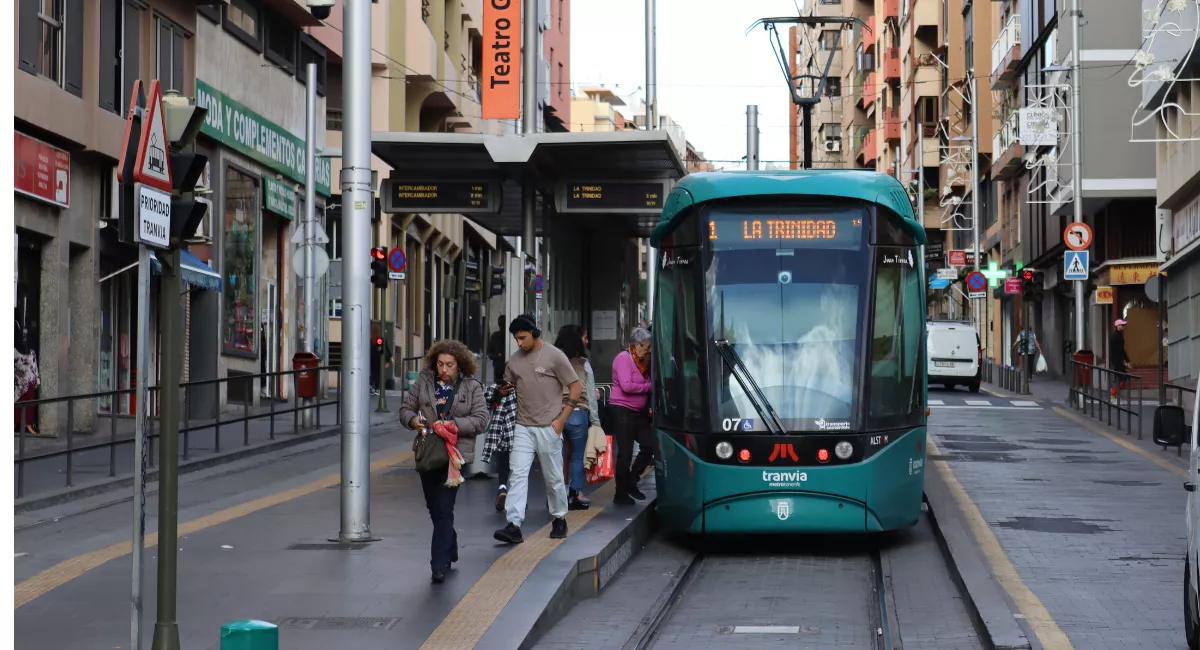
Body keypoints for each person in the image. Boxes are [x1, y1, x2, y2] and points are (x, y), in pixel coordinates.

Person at [399, 339, 489, 583]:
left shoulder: (471, 386)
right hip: (429, 453)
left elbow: (481, 419)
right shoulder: (424, 380)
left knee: (443, 508)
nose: (444, 370)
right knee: (434, 509)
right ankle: (450, 544)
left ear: (459, 364)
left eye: (449, 365)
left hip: (455, 456)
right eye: (440, 364)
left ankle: (438, 564)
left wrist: (454, 425)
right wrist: (413, 421)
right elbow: (406, 409)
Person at [493, 314, 582, 544]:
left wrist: (562, 419)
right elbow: (509, 386)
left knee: (553, 477)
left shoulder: (555, 356)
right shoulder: (514, 361)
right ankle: (514, 524)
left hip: (549, 426)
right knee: (518, 475)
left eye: (523, 338)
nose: (519, 343)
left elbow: (575, 386)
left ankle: (559, 517)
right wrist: (502, 390)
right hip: (523, 426)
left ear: (534, 332)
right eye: (516, 339)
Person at [553, 324, 603, 510]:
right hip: (577, 413)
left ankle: (557, 494)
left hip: (556, 413)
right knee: (576, 456)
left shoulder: (554, 361)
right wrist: (596, 421)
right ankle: (574, 494)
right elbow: (590, 395)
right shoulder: (583, 364)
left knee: (556, 456)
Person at [610, 328, 654, 506]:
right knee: (625, 453)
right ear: (637, 345)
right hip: (622, 411)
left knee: (649, 445)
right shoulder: (623, 358)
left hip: (638, 413)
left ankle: (631, 481)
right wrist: (647, 386)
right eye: (647, 346)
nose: (649, 350)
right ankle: (620, 493)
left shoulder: (643, 361)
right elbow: (627, 386)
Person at [480, 380, 517, 511]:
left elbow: (485, 403)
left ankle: (502, 488)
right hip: (517, 430)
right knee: (518, 467)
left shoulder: (493, 389)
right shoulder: (520, 391)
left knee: (503, 462)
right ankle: (516, 496)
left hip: (499, 431)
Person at [1110, 318, 1130, 398]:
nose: (1124, 326)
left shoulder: (1115, 336)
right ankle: (1114, 394)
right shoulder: (1117, 337)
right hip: (1118, 360)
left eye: (1124, 325)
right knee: (1122, 377)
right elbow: (1120, 349)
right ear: (1118, 326)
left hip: (1116, 360)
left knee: (1119, 377)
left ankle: (1114, 393)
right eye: (1122, 325)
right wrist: (1127, 360)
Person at [487, 314, 507, 384]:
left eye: (503, 323)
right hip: (499, 366)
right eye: (501, 323)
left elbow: (489, 352)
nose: (502, 325)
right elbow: (489, 352)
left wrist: (496, 356)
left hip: (501, 366)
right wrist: (496, 356)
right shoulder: (495, 336)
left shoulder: (509, 336)